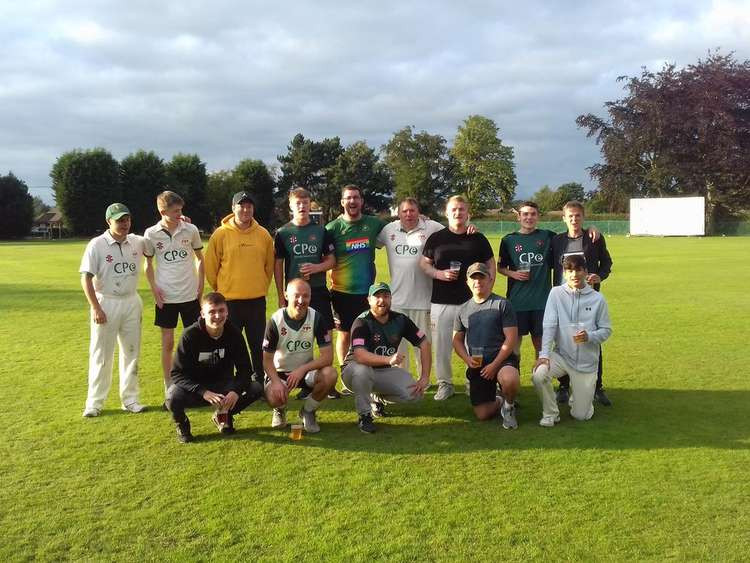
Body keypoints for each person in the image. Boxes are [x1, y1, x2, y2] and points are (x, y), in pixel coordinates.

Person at [498, 201, 598, 367]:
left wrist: (592, 229)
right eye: (525, 214)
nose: (529, 217)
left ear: (538, 217)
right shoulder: (508, 240)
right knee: (514, 345)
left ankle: (540, 380)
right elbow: (500, 267)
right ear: (518, 217)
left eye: (533, 214)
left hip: (543, 302)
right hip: (516, 302)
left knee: (541, 346)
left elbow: (572, 233)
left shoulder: (548, 237)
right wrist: (513, 273)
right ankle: (511, 378)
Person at [420, 195, 495, 400]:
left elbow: (490, 264)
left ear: (467, 212)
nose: (457, 213)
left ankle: (474, 381)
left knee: (474, 344)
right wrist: (439, 274)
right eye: (453, 209)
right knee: (442, 345)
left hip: (472, 302)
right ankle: (445, 384)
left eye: (461, 209)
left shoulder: (477, 238)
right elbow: (424, 264)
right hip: (442, 301)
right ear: (446, 212)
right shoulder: (436, 238)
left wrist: (488, 287)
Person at [166, 292, 264, 443]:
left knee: (256, 388)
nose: (217, 316)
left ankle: (224, 414)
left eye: (221, 311)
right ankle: (182, 424)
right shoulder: (190, 336)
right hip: (197, 388)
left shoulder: (234, 333)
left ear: (227, 311)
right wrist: (203, 392)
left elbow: (245, 369)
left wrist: (235, 391)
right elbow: (176, 374)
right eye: (212, 312)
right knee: (172, 397)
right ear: (203, 314)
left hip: (223, 386)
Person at [80, 203, 146, 417]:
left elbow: (159, 237)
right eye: (119, 220)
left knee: (131, 353)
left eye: (127, 219)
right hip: (106, 302)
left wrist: (180, 221)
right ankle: (94, 403)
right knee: (101, 355)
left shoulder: (137, 242)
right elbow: (86, 278)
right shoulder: (97, 245)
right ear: (109, 222)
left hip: (131, 301)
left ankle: (130, 399)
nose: (124, 223)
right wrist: (96, 308)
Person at [531, 255, 612, 426]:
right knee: (539, 374)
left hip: (586, 362)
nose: (574, 274)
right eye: (569, 271)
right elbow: (549, 325)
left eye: (578, 270)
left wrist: (589, 336)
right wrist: (544, 355)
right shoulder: (556, 293)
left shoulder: (598, 299)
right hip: (562, 356)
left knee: (581, 415)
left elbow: (606, 330)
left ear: (585, 272)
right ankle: (551, 414)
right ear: (564, 273)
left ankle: (580, 398)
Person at [273, 186, 338, 399]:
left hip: (317, 291)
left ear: (311, 204)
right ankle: (302, 382)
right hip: (294, 295)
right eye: (297, 203)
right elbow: (278, 265)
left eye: (305, 202)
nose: (302, 206)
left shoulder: (321, 231)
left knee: (323, 334)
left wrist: (317, 268)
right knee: (296, 335)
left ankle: (325, 382)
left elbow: (332, 260)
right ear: (291, 206)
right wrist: (281, 294)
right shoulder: (283, 233)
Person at [341, 282, 431, 433]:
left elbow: (424, 343)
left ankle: (377, 399)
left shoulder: (400, 320)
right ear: (369, 300)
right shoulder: (361, 322)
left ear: (391, 299)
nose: (382, 300)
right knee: (363, 372)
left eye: (386, 296)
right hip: (354, 372)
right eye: (377, 296)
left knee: (415, 393)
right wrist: (388, 360)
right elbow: (360, 356)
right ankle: (365, 415)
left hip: (382, 372)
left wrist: (424, 377)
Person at [204, 191, 274, 382]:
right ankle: (229, 381)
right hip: (229, 301)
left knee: (258, 344)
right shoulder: (220, 234)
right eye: (241, 206)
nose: (245, 210)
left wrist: (259, 285)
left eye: (249, 206)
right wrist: (222, 288)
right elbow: (211, 266)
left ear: (253, 209)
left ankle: (259, 380)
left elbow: (269, 266)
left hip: (256, 301)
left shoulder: (263, 234)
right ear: (233, 208)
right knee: (230, 343)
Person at [551, 200, 613, 406]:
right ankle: (563, 386)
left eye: (578, 215)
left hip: (588, 298)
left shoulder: (593, 239)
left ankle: (597, 387)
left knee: (591, 340)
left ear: (583, 217)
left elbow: (607, 263)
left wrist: (599, 276)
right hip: (563, 299)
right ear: (564, 218)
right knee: (563, 341)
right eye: (570, 216)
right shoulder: (557, 241)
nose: (574, 219)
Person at [143, 190, 204, 399]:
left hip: (189, 294)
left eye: (181, 210)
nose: (180, 214)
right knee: (167, 343)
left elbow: (200, 258)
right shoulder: (151, 233)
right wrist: (154, 291)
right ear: (163, 211)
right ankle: (169, 388)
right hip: (166, 297)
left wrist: (200, 285)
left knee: (194, 341)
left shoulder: (191, 229)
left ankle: (194, 383)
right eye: (176, 210)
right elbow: (147, 265)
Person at [376, 197, 444, 374]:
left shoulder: (432, 227)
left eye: (412, 210)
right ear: (398, 213)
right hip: (397, 301)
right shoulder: (388, 230)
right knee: (398, 346)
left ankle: (425, 379)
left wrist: (469, 226)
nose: (408, 214)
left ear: (418, 212)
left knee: (422, 344)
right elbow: (372, 242)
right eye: (404, 211)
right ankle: (400, 378)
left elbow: (452, 233)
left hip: (423, 300)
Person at [263, 278, 338, 433]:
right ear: (286, 295)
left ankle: (308, 411)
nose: (301, 300)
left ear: (311, 297)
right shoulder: (275, 320)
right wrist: (276, 381)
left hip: (305, 372)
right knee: (273, 395)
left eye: (306, 296)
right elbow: (267, 360)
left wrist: (302, 369)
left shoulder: (316, 317)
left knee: (330, 374)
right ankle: (280, 409)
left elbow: (327, 357)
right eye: (296, 295)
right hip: (281, 372)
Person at [452, 263, 520, 428]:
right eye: (473, 278)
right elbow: (457, 340)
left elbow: (511, 339)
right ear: (467, 282)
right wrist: (467, 359)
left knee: (510, 379)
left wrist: (495, 365)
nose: (477, 281)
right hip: (478, 363)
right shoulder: (463, 309)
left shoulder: (502, 304)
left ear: (490, 279)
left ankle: (509, 407)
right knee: (483, 415)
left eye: (481, 277)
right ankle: (500, 399)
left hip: (502, 360)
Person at [325, 185, 386, 367]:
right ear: (342, 202)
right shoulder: (332, 228)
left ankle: (368, 371)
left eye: (356, 198)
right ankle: (346, 375)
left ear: (361, 201)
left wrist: (421, 220)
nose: (352, 201)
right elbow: (324, 256)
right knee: (344, 334)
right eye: (348, 198)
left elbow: (399, 228)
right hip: (342, 292)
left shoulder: (374, 224)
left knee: (368, 333)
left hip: (368, 293)